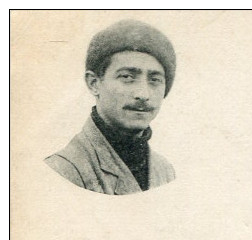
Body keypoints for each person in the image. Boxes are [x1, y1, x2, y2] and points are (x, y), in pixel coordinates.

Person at [45, 19, 176, 194]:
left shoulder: (164, 171)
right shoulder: (62, 170)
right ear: (94, 83)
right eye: (127, 77)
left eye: (155, 80)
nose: (143, 94)